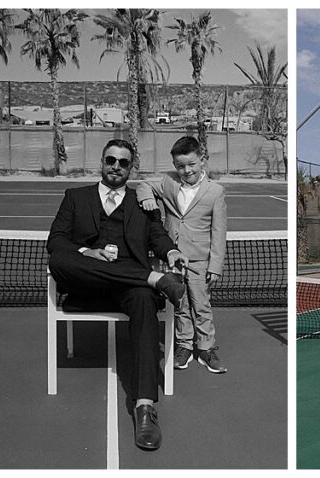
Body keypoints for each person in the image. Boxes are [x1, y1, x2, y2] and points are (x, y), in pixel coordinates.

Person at [47, 138, 189, 451]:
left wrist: (173, 251)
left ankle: (144, 406)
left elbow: (158, 237)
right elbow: (56, 241)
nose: (116, 167)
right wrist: (88, 252)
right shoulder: (75, 197)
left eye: (123, 163)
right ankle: (154, 279)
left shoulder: (143, 202)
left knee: (141, 298)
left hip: (129, 289)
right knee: (59, 258)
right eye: (111, 160)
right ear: (102, 161)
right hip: (87, 285)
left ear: (130, 168)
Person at [136, 136, 229, 374]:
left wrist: (215, 266)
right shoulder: (168, 181)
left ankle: (206, 349)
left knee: (202, 306)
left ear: (202, 160)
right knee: (181, 305)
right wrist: (147, 198)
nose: (186, 170)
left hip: (200, 260)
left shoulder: (216, 192)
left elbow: (219, 232)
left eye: (191, 164)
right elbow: (144, 185)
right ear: (175, 165)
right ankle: (184, 347)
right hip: (172, 258)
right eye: (180, 166)